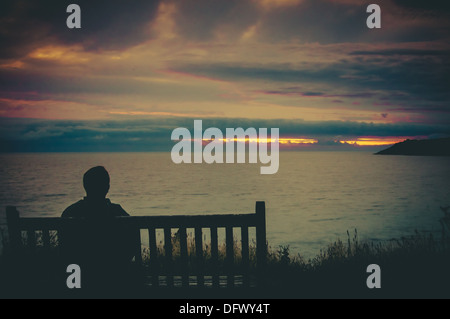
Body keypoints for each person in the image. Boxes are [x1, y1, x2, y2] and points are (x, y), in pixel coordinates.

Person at [61, 166, 137, 297]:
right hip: (114, 279)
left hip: (78, 278)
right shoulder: (117, 212)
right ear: (107, 187)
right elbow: (132, 243)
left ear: (85, 186)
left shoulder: (70, 212)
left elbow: (65, 250)